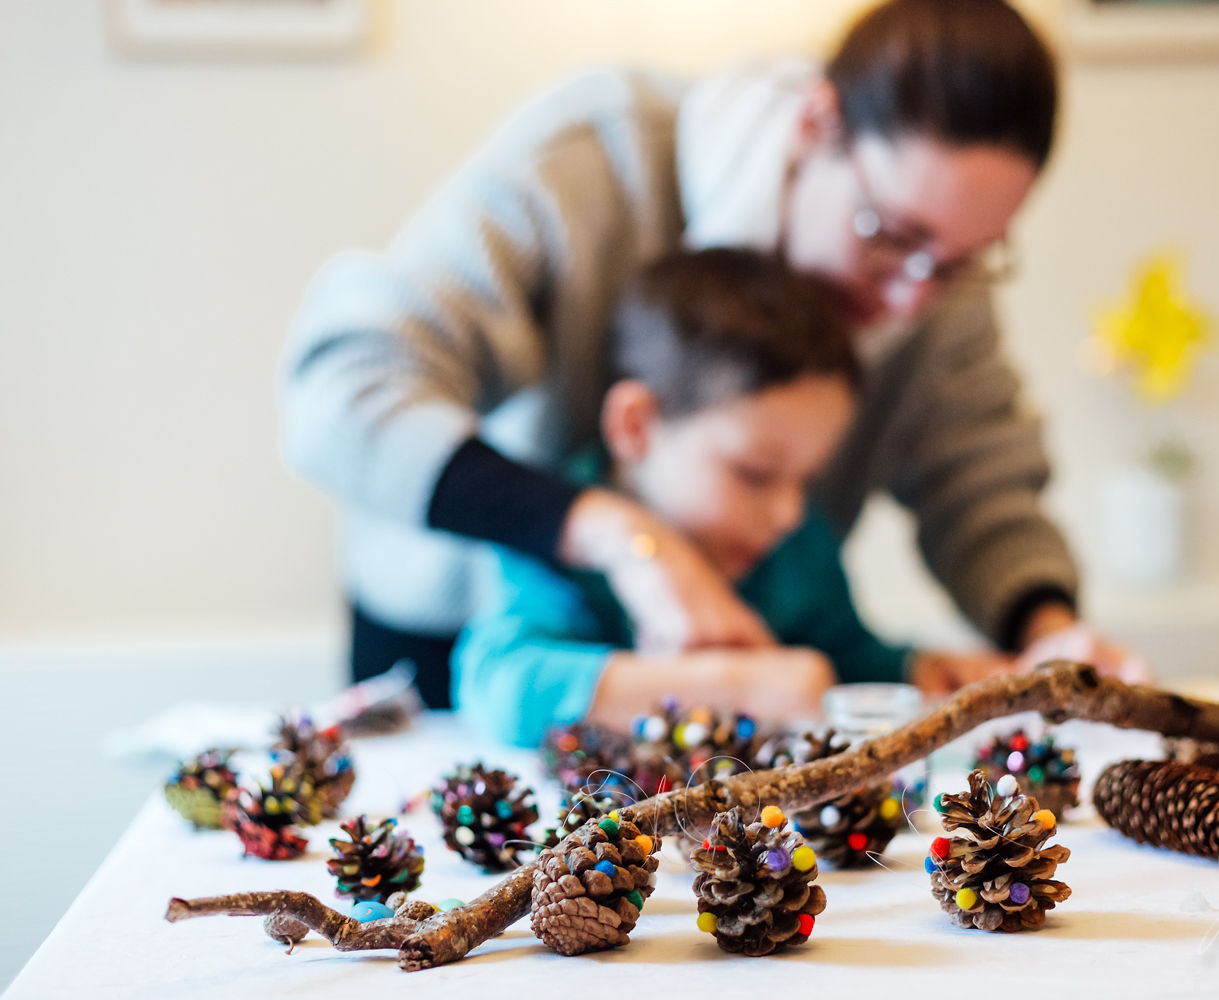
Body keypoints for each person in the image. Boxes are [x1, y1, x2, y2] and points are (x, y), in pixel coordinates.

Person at [280, 0, 1144, 711]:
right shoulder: (596, 158)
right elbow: (345, 389)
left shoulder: (930, 279)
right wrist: (625, 536)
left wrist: (1045, 635)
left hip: (735, 664)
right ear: (818, 123)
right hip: (465, 643)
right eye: (891, 235)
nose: (915, 296)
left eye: (961, 261)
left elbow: (980, 480)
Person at [454, 248, 1008, 746]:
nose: (790, 512)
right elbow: (501, 683)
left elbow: (844, 655)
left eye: (806, 479)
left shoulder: (798, 545)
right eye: (756, 473)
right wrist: (742, 683)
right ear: (638, 426)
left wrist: (915, 669)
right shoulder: (559, 534)